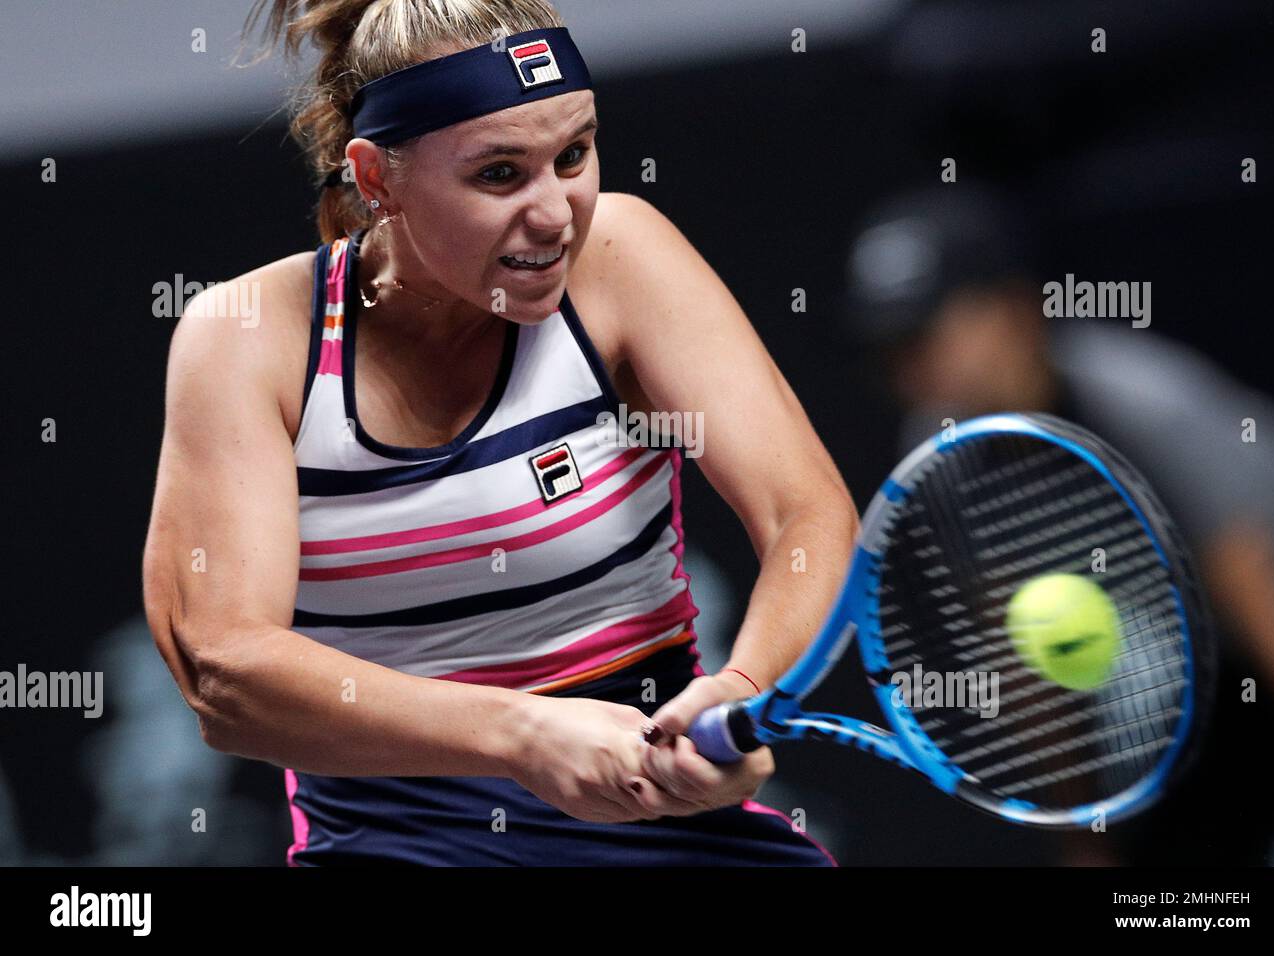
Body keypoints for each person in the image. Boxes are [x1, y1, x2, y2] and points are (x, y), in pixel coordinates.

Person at [142, 0, 856, 866]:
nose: (556, 213)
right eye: (499, 175)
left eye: (574, 155)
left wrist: (740, 695)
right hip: (391, 847)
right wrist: (519, 734)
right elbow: (222, 674)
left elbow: (806, 519)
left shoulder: (624, 260)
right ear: (377, 180)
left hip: (659, 818)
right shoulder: (248, 335)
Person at [841, 183, 1274, 864]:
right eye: (893, 354)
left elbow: (1252, 584)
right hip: (1174, 683)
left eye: (928, 337)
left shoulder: (1145, 407)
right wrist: (1084, 838)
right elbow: (1025, 662)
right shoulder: (942, 461)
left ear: (1017, 314)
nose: (914, 374)